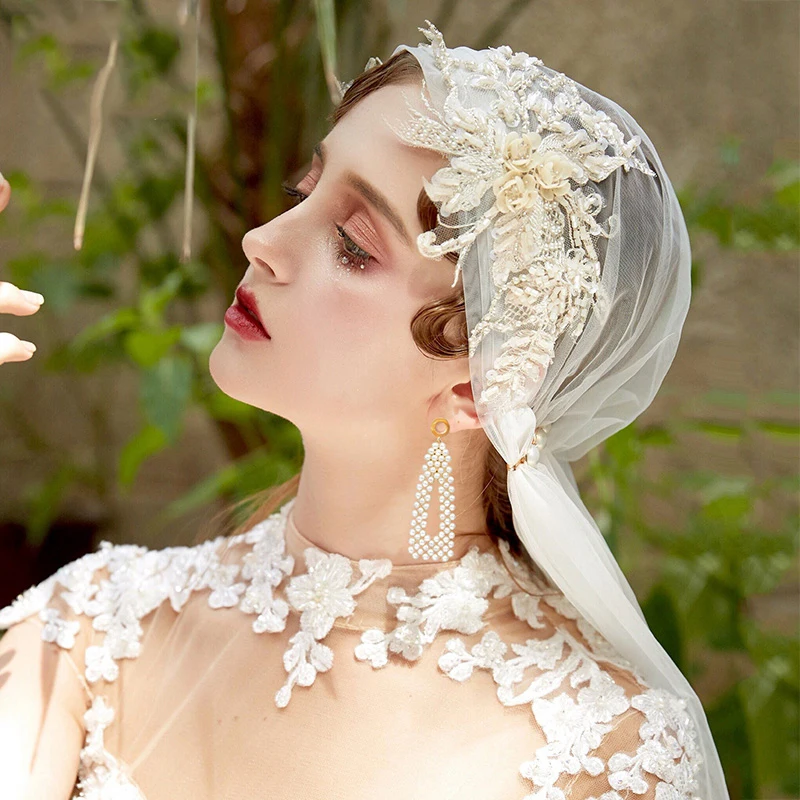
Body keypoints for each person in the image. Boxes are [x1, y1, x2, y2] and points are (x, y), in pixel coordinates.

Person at [0, 21, 730, 800]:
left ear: (480, 385)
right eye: (301, 193)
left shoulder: (604, 747)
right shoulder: (93, 626)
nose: (260, 241)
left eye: (352, 244)